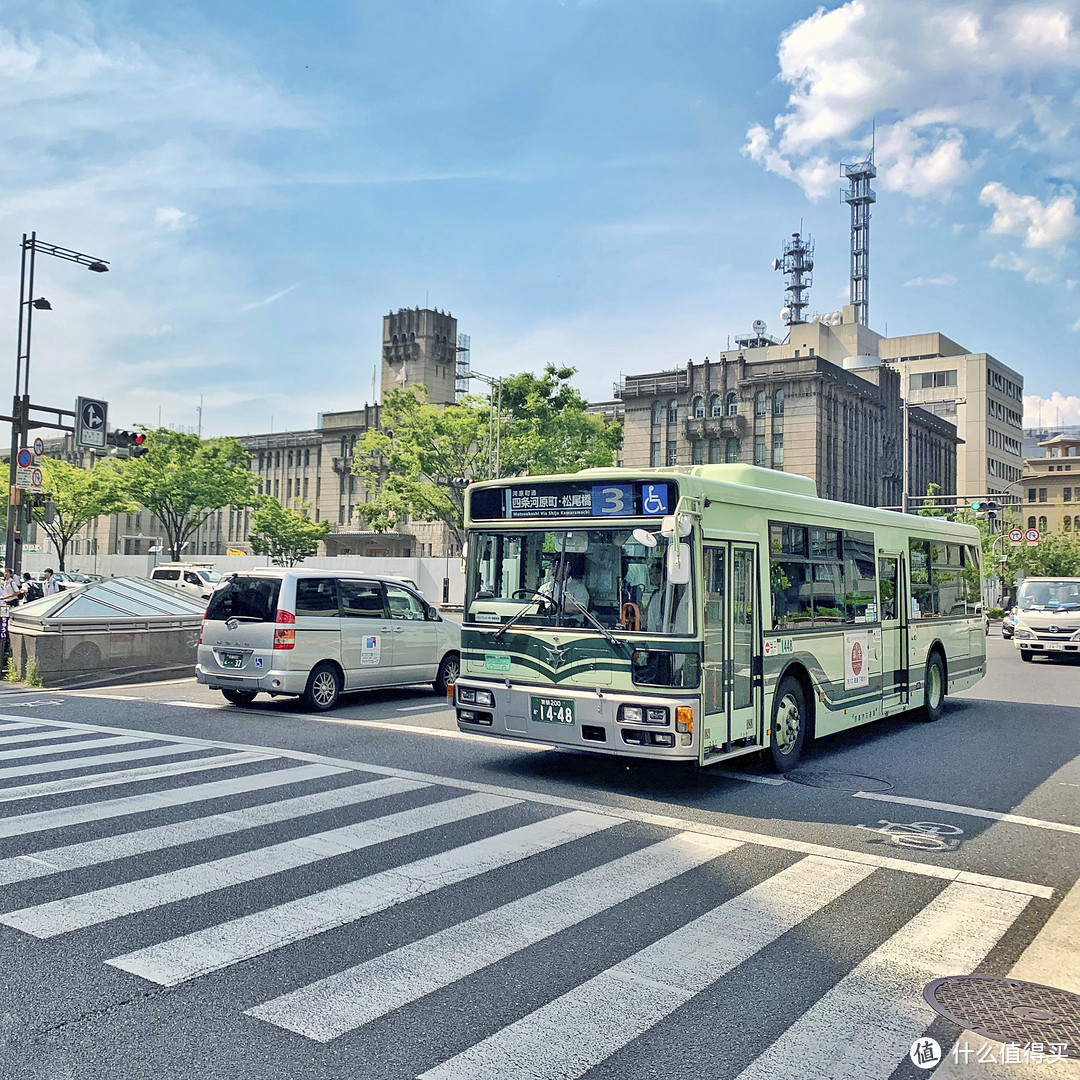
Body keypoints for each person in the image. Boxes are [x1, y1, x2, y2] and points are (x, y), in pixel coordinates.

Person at [538, 555, 590, 620]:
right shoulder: (545, 587)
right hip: (545, 624)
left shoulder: (579, 588)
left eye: (556, 567)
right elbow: (534, 605)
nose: (552, 571)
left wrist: (557, 608)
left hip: (570, 626)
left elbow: (580, 608)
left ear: (567, 568)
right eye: (552, 567)